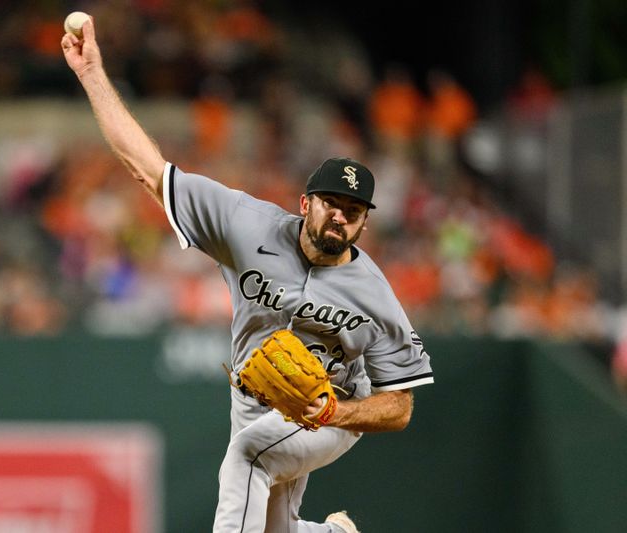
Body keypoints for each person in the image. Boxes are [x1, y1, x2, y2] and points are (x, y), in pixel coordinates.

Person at [62, 16, 434, 533]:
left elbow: (400, 406)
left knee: (248, 456)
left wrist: (336, 414)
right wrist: (93, 75)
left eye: (354, 209)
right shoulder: (244, 224)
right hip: (251, 397)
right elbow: (146, 167)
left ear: (365, 220)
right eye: (331, 202)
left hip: (330, 409)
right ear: (305, 204)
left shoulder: (374, 294)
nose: (341, 216)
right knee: (269, 522)